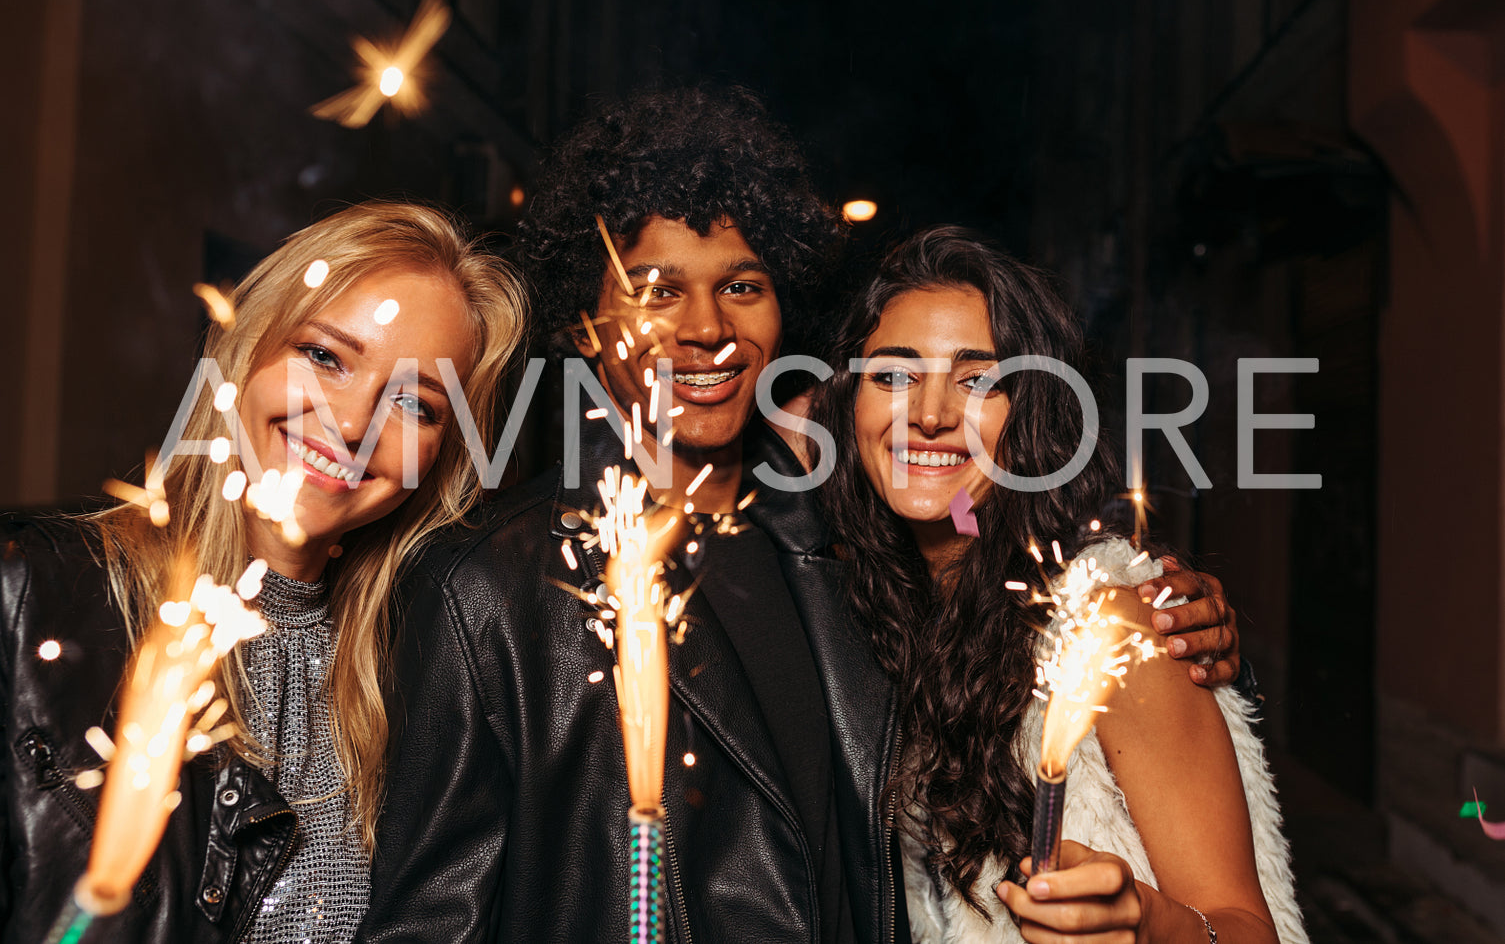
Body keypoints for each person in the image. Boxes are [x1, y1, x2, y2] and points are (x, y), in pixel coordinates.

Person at [360, 87, 1245, 944]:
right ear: (586, 326)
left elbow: (1006, 572)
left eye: (741, 285)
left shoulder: (857, 539)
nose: (705, 327)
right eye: (657, 290)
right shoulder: (483, 589)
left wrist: (1159, 600)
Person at [0, 201, 529, 943]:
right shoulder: (31, 599)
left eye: (413, 401)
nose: (351, 423)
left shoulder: (426, 681)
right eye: (324, 356)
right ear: (247, 350)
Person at [805, 226, 1306, 943]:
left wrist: (1142, 918)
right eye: (892, 373)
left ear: (1030, 415)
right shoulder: (868, 608)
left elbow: (1249, 928)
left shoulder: (1110, 630)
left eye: (978, 380)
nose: (930, 413)